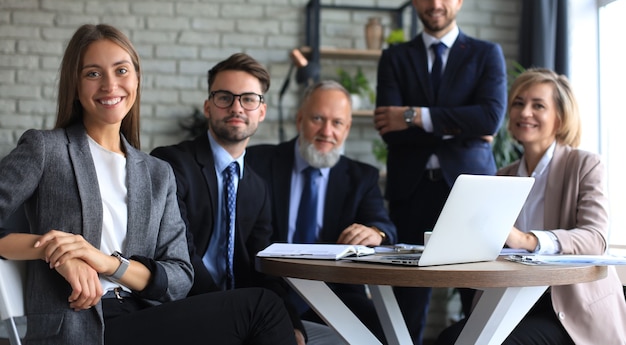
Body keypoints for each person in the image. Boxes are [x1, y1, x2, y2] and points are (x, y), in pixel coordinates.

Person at [0, 24, 296, 345]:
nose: (110, 84)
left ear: (137, 80)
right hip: (80, 325)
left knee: (264, 312)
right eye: (93, 74)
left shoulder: (157, 172)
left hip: (144, 317)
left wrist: (107, 263)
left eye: (121, 70)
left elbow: (181, 277)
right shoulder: (46, 149)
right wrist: (57, 253)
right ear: (75, 83)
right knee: (262, 309)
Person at [151, 54, 336, 345]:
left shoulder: (257, 187)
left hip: (243, 313)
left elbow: (264, 266)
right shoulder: (172, 164)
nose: (236, 107)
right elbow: (180, 254)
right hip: (184, 306)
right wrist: (230, 309)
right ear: (208, 107)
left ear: (261, 111)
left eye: (249, 99)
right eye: (225, 97)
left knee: (330, 340)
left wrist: (291, 321)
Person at [436, 68, 626, 344]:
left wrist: (527, 240)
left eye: (538, 105)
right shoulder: (503, 176)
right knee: (449, 339)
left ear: (559, 119)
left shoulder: (585, 165)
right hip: (510, 302)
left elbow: (594, 238)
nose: (525, 112)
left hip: (565, 309)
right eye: (518, 103)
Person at [373, 0, 507, 344]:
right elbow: (389, 130)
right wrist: (459, 127)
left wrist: (414, 116)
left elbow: (489, 119)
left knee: (476, 300)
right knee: (406, 303)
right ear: (415, 0)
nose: (436, 3)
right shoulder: (395, 58)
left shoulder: (485, 54)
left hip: (469, 194)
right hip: (411, 192)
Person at [246, 80, 397, 342]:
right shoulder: (257, 163)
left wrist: (375, 233)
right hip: (270, 288)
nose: (327, 131)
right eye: (318, 118)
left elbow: (383, 224)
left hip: (336, 292)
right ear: (300, 119)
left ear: (347, 129)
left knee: (385, 329)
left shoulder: (362, 178)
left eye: (337, 123)